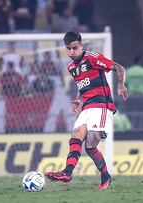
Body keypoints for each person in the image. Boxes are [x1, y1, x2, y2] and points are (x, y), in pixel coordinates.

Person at [45, 31, 128, 190]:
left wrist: (120, 85)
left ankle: (103, 168)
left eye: (75, 48)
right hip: (87, 106)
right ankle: (67, 173)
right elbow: (83, 86)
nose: (71, 52)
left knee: (91, 143)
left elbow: (119, 67)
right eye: (68, 48)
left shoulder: (92, 57)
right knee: (77, 134)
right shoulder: (71, 67)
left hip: (102, 105)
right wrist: (79, 100)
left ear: (81, 45)